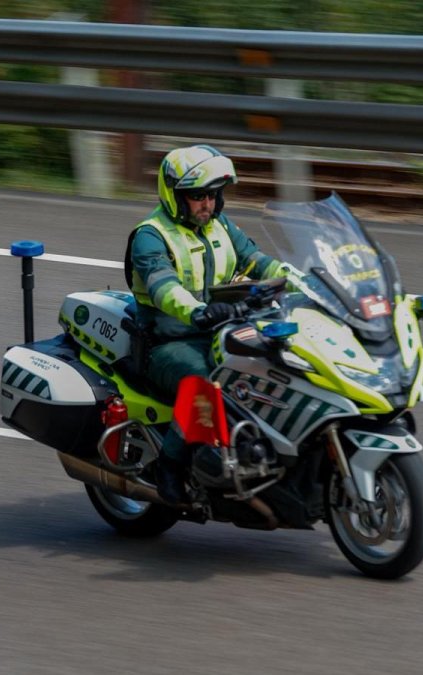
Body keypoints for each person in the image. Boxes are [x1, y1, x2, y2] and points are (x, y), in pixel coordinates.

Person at [124, 144, 292, 506]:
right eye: (198, 196)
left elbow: (257, 261)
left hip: (223, 329)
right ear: (175, 196)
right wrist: (199, 311)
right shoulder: (150, 235)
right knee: (203, 380)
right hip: (168, 343)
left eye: (214, 195)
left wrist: (299, 280)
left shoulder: (220, 226)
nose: (208, 204)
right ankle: (169, 468)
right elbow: (164, 287)